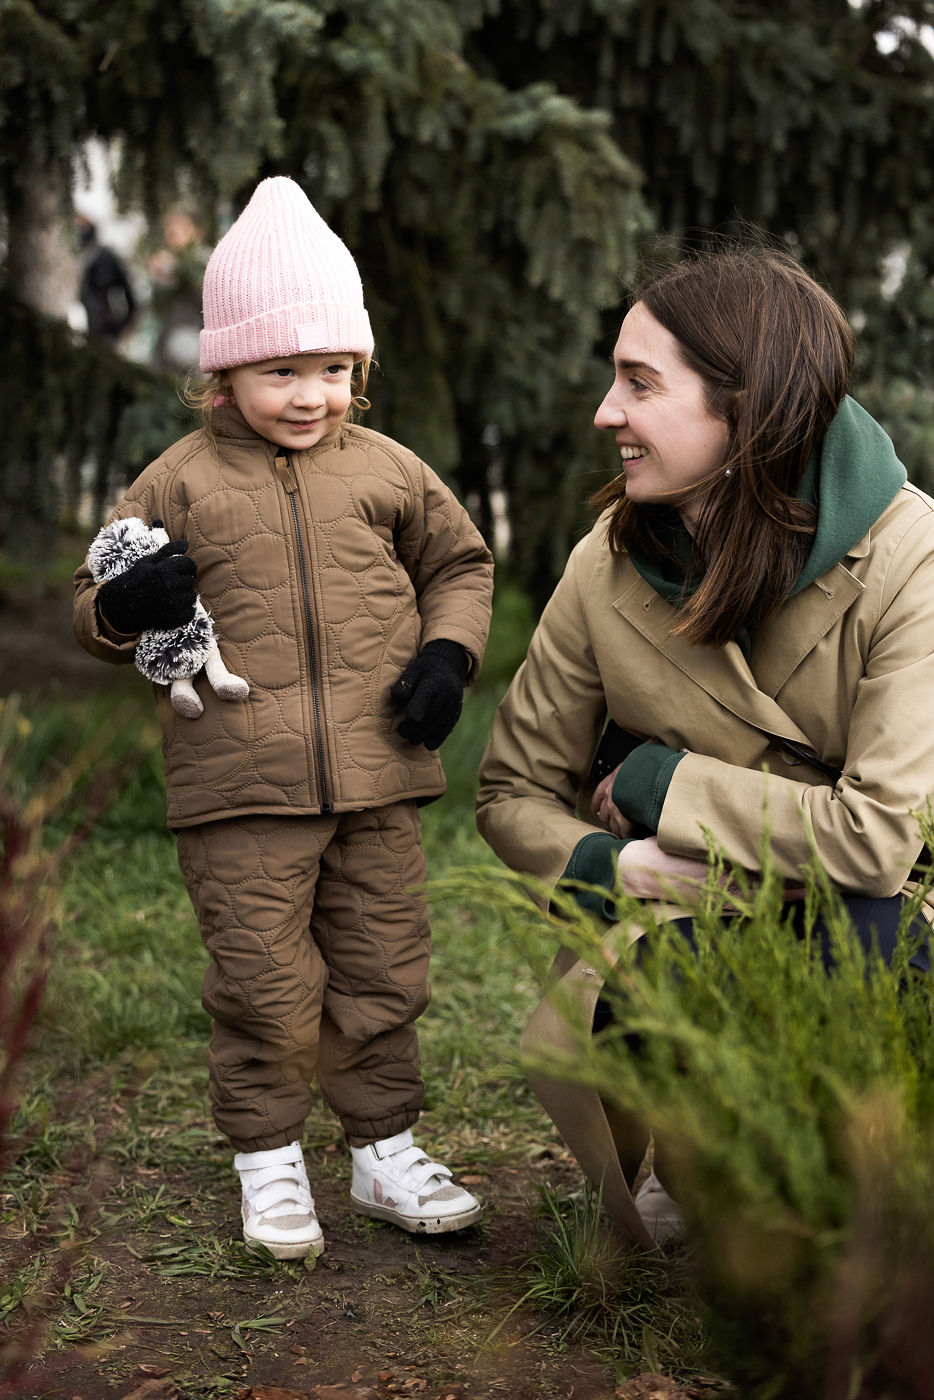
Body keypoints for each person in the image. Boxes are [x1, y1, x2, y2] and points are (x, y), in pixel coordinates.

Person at [475, 246, 934, 1247]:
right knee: (644, 981)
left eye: (639, 382)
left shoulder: (909, 556)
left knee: (869, 946)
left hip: (891, 919)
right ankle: (693, 1158)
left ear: (747, 407)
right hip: (685, 912)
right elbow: (510, 787)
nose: (606, 410)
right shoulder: (606, 564)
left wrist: (658, 777)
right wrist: (612, 861)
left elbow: (875, 843)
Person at [74, 176, 494, 1260]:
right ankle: (268, 1157)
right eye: (281, 370)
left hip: (378, 771)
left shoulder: (390, 469)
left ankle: (383, 1148)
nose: (312, 394)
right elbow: (98, 597)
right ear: (223, 369)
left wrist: (448, 654)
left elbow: (458, 562)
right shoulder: (176, 480)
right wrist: (129, 604)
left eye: (333, 369)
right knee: (264, 975)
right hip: (238, 782)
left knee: (385, 966)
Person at [76, 214, 136, 342]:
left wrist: (116, 330)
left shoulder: (108, 258)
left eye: (83, 224)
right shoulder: (69, 255)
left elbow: (133, 301)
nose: (79, 228)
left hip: (102, 334)